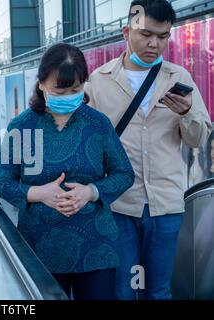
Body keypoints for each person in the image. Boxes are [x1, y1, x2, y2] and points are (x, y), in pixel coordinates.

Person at [85, 0, 212, 300]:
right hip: (118, 207)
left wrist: (188, 113)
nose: (155, 44)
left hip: (165, 206)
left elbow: (197, 139)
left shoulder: (179, 77)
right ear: (126, 32)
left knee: (159, 292)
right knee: (123, 292)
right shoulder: (99, 81)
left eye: (163, 36)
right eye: (146, 34)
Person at [0, 43, 135, 300]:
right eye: (60, 90)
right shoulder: (22, 126)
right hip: (39, 248)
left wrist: (92, 191)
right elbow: (2, 182)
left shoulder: (98, 123)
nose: (69, 96)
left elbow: (124, 174)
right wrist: (39, 193)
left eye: (76, 90)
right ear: (41, 84)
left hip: (96, 247)